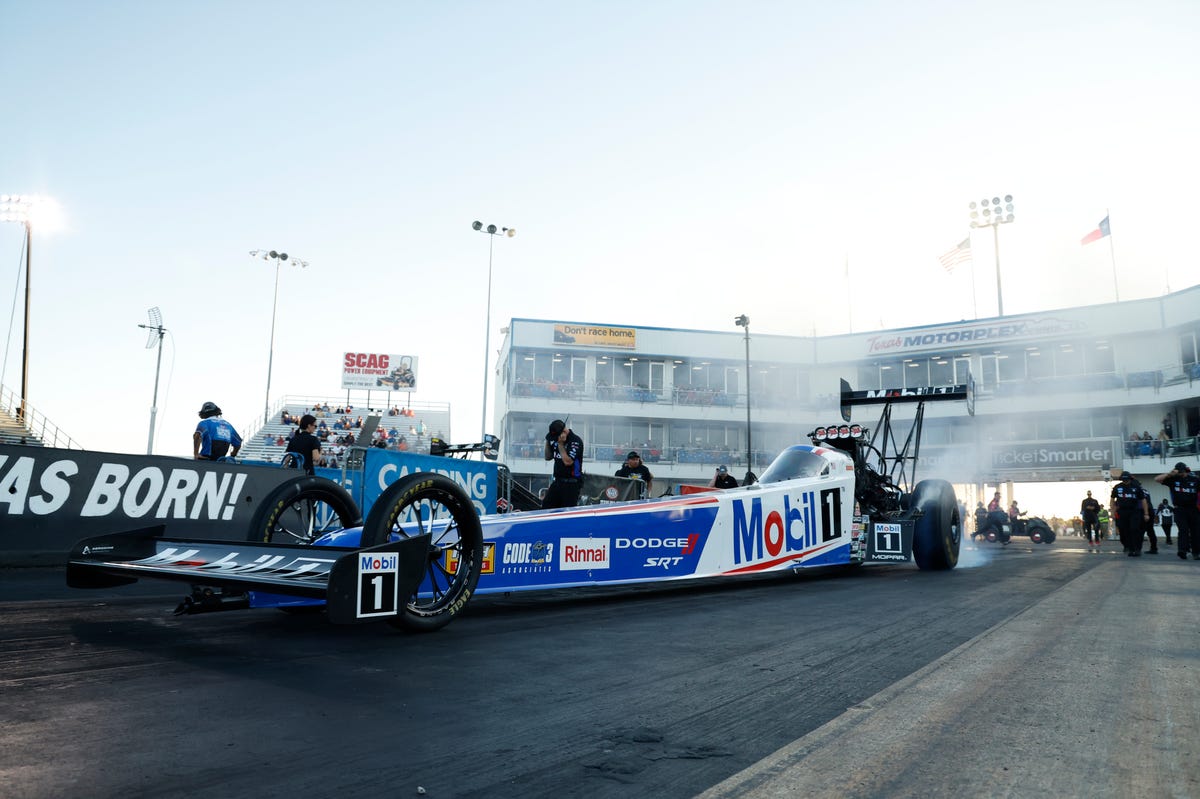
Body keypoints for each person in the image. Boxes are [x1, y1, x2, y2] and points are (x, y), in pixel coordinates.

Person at [1155, 462, 1200, 560]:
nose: (1181, 473)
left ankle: (1196, 552)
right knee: (1183, 530)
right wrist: (1170, 474)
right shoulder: (1173, 480)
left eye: (1182, 471)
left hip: (1193, 509)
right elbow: (1157, 479)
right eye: (1179, 472)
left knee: (1195, 531)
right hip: (1179, 509)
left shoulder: (1195, 480)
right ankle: (1182, 551)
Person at [542, 419, 584, 509]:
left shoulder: (575, 441)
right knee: (546, 507)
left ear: (564, 432)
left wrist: (560, 445)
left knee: (567, 512)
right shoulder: (556, 440)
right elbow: (547, 457)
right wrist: (548, 441)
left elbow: (568, 462)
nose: (555, 439)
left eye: (556, 437)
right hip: (558, 481)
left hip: (571, 483)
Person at [1110, 471, 1150, 556]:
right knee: (1124, 531)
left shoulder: (1136, 487)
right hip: (1122, 512)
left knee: (1134, 529)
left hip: (1134, 511)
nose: (1125, 481)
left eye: (1127, 479)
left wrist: (1146, 513)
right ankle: (1130, 548)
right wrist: (1113, 512)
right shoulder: (1117, 487)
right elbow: (1112, 500)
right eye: (1123, 479)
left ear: (1130, 479)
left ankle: (1137, 548)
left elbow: (1143, 500)